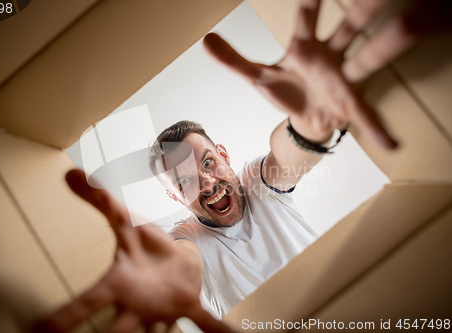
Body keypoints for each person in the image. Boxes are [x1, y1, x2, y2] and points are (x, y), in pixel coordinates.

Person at [34, 0, 452, 332]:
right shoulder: (187, 237)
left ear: (226, 155)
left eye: (210, 162)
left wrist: (310, 124)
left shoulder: (258, 183)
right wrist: (164, 274)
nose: (209, 182)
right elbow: (181, 259)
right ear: (174, 196)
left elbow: (286, 155)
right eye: (187, 182)